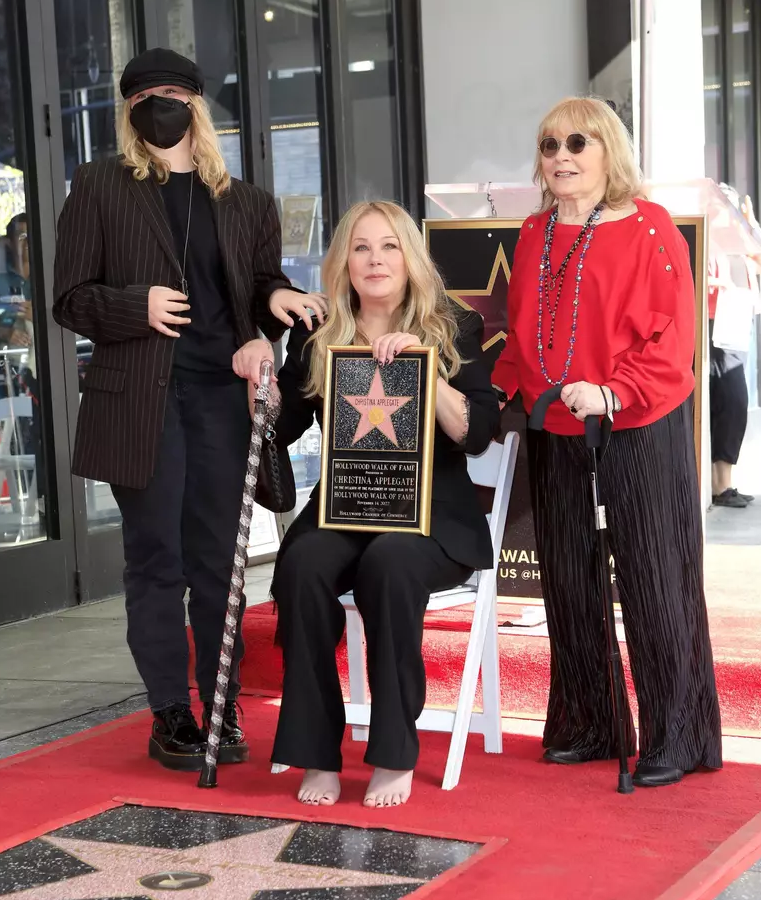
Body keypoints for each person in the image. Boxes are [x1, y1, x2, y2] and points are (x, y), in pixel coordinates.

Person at [52, 47, 326, 770]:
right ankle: (171, 711)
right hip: (139, 402)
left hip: (219, 398)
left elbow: (259, 282)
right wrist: (132, 304)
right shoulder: (101, 185)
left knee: (220, 563)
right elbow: (69, 297)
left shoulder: (246, 201)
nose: (161, 104)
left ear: (198, 105)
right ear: (129, 109)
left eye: (174, 92)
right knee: (156, 560)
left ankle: (222, 702)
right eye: (147, 95)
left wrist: (276, 304)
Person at [492, 96, 722, 788]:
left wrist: (613, 390)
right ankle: (588, 724)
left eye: (578, 143)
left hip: (637, 421)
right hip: (557, 426)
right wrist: (513, 387)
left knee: (654, 581)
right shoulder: (534, 230)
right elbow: (525, 329)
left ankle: (675, 737)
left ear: (608, 151)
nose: (561, 156)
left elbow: (672, 340)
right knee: (567, 581)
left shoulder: (651, 229)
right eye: (549, 145)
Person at [267, 201, 500, 808]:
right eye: (361, 247)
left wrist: (427, 371)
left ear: (411, 259)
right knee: (302, 565)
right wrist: (262, 378)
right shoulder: (320, 332)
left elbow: (476, 433)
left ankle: (395, 751)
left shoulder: (453, 325)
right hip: (346, 507)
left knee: (391, 563)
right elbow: (285, 424)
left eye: (389, 246)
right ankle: (314, 750)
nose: (375, 260)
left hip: (433, 518)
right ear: (343, 261)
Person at [708, 189, 761, 508]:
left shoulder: (739, 239)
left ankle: (725, 482)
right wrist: (719, 286)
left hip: (736, 326)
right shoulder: (707, 235)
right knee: (728, 400)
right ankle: (716, 485)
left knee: (733, 405)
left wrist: (752, 223)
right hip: (713, 327)